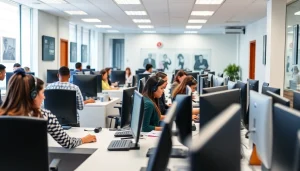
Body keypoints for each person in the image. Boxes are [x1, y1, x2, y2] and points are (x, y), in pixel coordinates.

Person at [0, 68, 96, 148]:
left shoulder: (2, 115)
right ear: (33, 95)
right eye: (42, 93)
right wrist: (84, 139)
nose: (44, 97)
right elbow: (68, 143)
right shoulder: (44, 116)